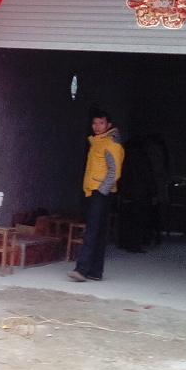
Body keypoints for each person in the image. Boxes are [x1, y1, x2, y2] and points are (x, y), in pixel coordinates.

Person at [70, 110, 125, 282]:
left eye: (101, 123)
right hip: (94, 191)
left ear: (109, 125)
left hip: (100, 193)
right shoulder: (97, 142)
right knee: (99, 232)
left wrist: (101, 191)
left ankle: (81, 269)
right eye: (94, 123)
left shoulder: (112, 144)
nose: (97, 126)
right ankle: (95, 271)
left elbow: (114, 172)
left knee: (92, 231)